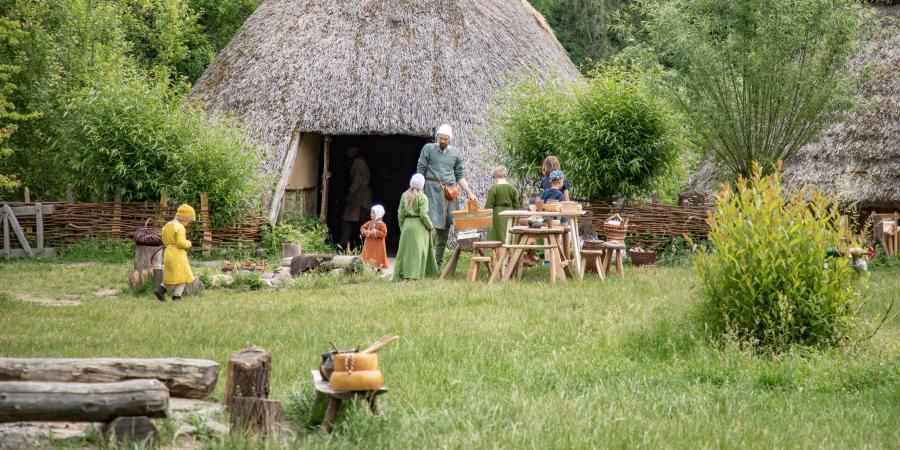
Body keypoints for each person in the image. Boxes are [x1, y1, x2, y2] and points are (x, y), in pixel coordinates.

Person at [416, 124, 475, 266]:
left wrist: (469, 193)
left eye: (445, 139)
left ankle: (437, 264)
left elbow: (460, 175)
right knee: (431, 229)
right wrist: (419, 189)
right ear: (437, 137)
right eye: (440, 138)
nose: (442, 141)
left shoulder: (456, 153)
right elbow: (421, 169)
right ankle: (425, 263)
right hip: (432, 191)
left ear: (450, 139)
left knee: (445, 230)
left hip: (449, 194)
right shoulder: (428, 149)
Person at [393, 174, 438, 280]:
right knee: (418, 252)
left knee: (404, 252)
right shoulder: (423, 198)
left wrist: (402, 227)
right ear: (422, 185)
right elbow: (423, 215)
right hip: (419, 227)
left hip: (406, 226)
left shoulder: (404, 196)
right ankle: (416, 275)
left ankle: (401, 274)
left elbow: (400, 214)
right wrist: (430, 226)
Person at [154, 204, 196, 302]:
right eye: (189, 221)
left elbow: (164, 240)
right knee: (184, 275)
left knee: (172, 275)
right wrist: (189, 243)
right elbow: (181, 243)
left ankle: (160, 290)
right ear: (184, 218)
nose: (188, 223)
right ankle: (176, 296)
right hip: (177, 254)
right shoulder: (179, 227)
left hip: (168, 252)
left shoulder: (167, 226)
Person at [340, 147, 372, 250]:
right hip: (361, 194)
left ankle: (345, 244)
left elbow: (357, 181)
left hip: (359, 194)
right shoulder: (360, 162)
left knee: (348, 219)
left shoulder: (358, 163)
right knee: (360, 219)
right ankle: (358, 245)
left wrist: (350, 193)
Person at [485, 165, 519, 243]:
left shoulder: (494, 188)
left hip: (497, 215)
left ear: (495, 176)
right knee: (508, 236)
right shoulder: (512, 188)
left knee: (497, 239)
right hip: (510, 214)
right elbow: (516, 205)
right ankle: (508, 254)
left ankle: (498, 255)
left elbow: (489, 206)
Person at [360, 204, 389, 270]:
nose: (370, 214)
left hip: (378, 245)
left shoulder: (382, 224)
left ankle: (378, 267)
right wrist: (364, 231)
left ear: (378, 214)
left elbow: (384, 233)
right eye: (371, 212)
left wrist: (375, 232)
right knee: (369, 254)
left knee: (377, 255)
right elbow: (363, 227)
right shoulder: (370, 222)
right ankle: (369, 266)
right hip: (369, 244)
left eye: (373, 213)